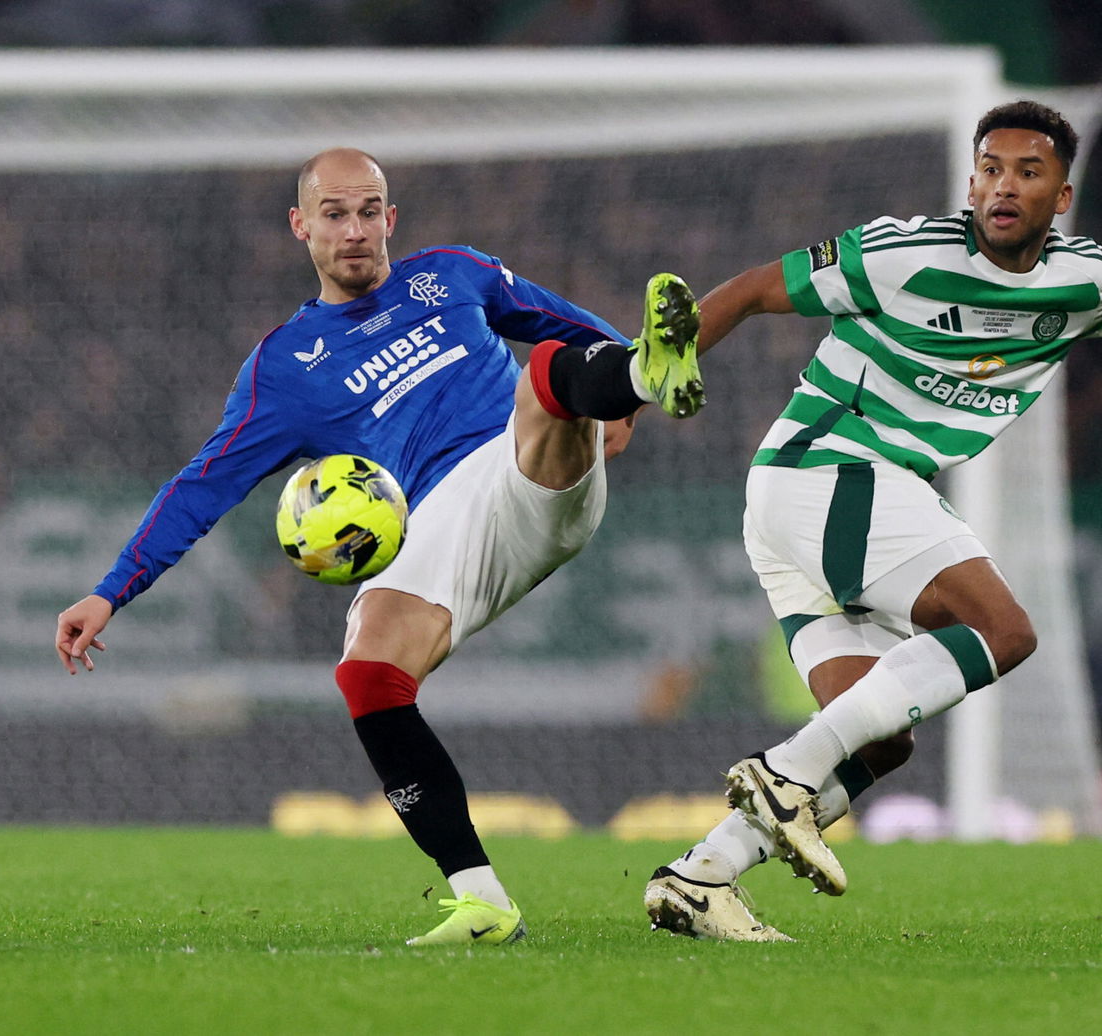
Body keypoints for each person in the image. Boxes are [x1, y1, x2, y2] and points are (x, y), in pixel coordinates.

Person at [644, 100, 1102, 941]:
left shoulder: (1086, 281)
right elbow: (757, 289)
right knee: (1004, 632)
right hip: (830, 468)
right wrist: (638, 389)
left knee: (878, 740)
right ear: (971, 183)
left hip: (817, 500)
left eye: (1028, 172)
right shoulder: (902, 253)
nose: (1004, 186)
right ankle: (785, 773)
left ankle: (701, 876)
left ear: (1062, 197)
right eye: (990, 169)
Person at [54, 147, 704, 947]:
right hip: (436, 526)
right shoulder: (284, 368)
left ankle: (638, 379)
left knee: (544, 370)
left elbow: (579, 335)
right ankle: (482, 902)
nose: (355, 230)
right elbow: (203, 485)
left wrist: (627, 393)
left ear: (391, 218)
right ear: (301, 226)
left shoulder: (452, 274)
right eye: (334, 213)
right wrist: (110, 591)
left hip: (523, 466)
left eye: (369, 211)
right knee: (366, 675)